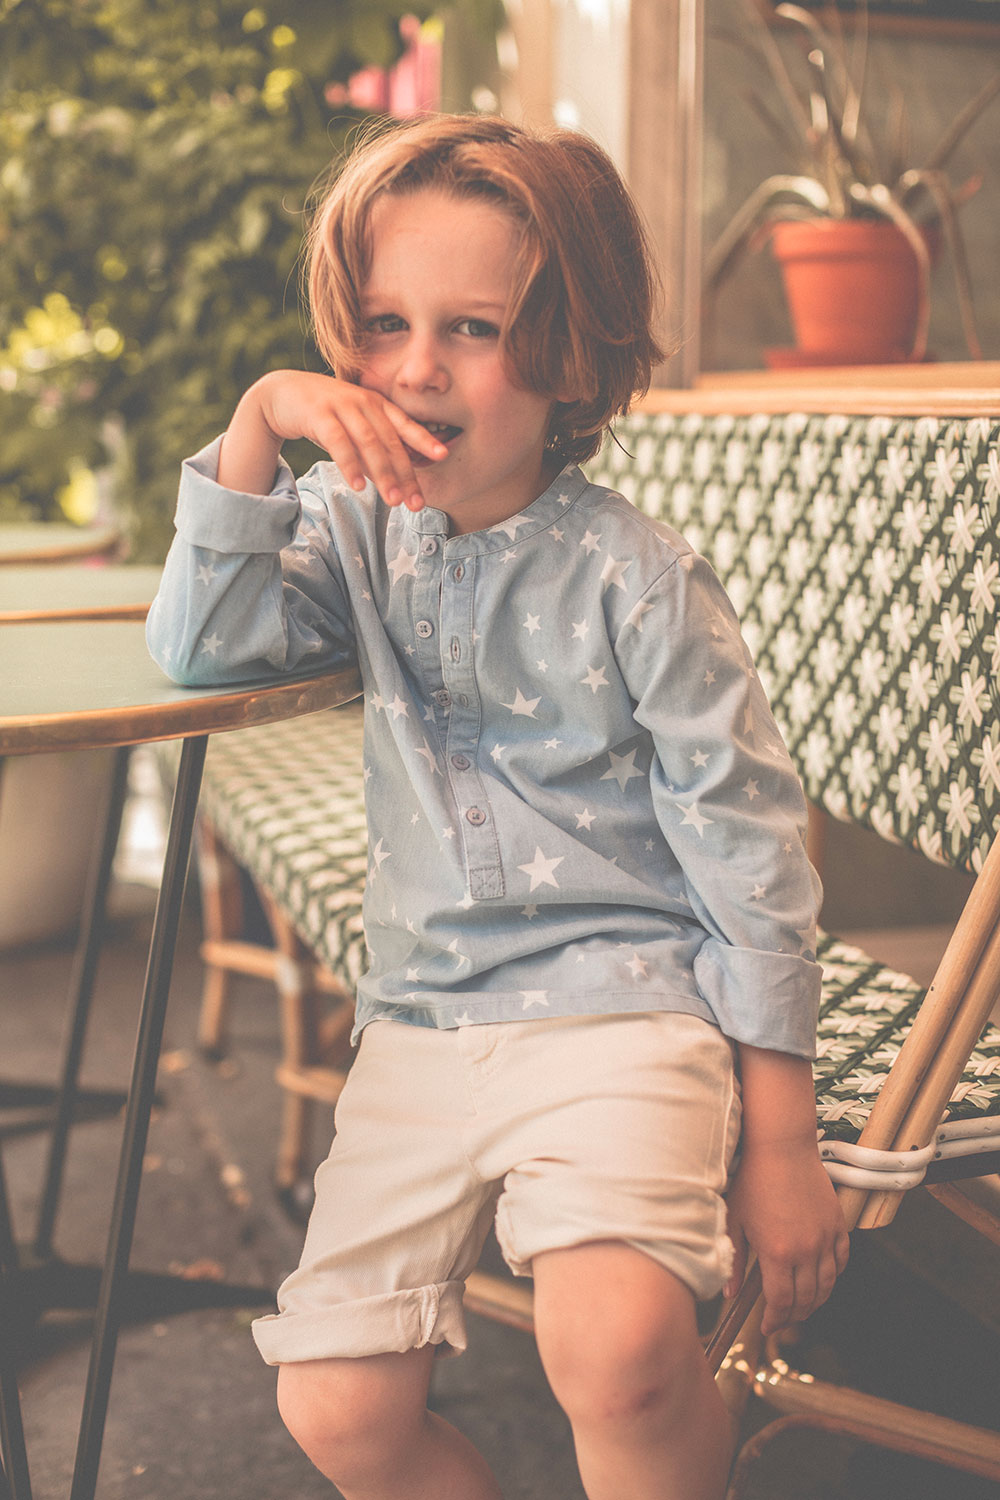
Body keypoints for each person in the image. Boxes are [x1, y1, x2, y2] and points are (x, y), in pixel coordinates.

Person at [146, 113, 849, 1500]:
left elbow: (749, 852)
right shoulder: (351, 529)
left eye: (471, 328)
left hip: (623, 1007)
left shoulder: (638, 578)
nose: (416, 367)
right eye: (384, 325)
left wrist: (781, 1138)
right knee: (337, 1407)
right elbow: (204, 647)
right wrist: (263, 418)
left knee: (621, 1347)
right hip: (420, 1021)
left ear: (570, 356)